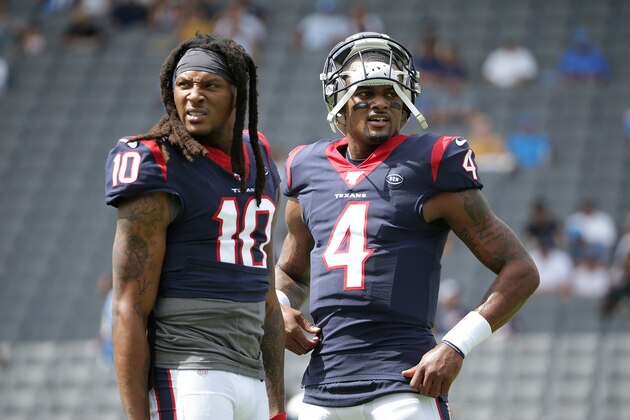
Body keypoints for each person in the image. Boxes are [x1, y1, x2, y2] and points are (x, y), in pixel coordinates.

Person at [275, 32, 539, 419]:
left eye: (392, 93)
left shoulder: (431, 160)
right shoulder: (306, 167)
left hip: (404, 384)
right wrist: (278, 308)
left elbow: (521, 270)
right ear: (339, 101)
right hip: (322, 389)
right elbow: (290, 272)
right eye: (366, 92)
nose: (381, 102)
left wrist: (456, 345)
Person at [105, 33, 285, 420]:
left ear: (237, 95)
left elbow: (267, 299)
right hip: (191, 373)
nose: (194, 96)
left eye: (210, 85)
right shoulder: (157, 160)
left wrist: (276, 406)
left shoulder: (260, 158)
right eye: (184, 84)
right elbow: (128, 306)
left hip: (250, 377)